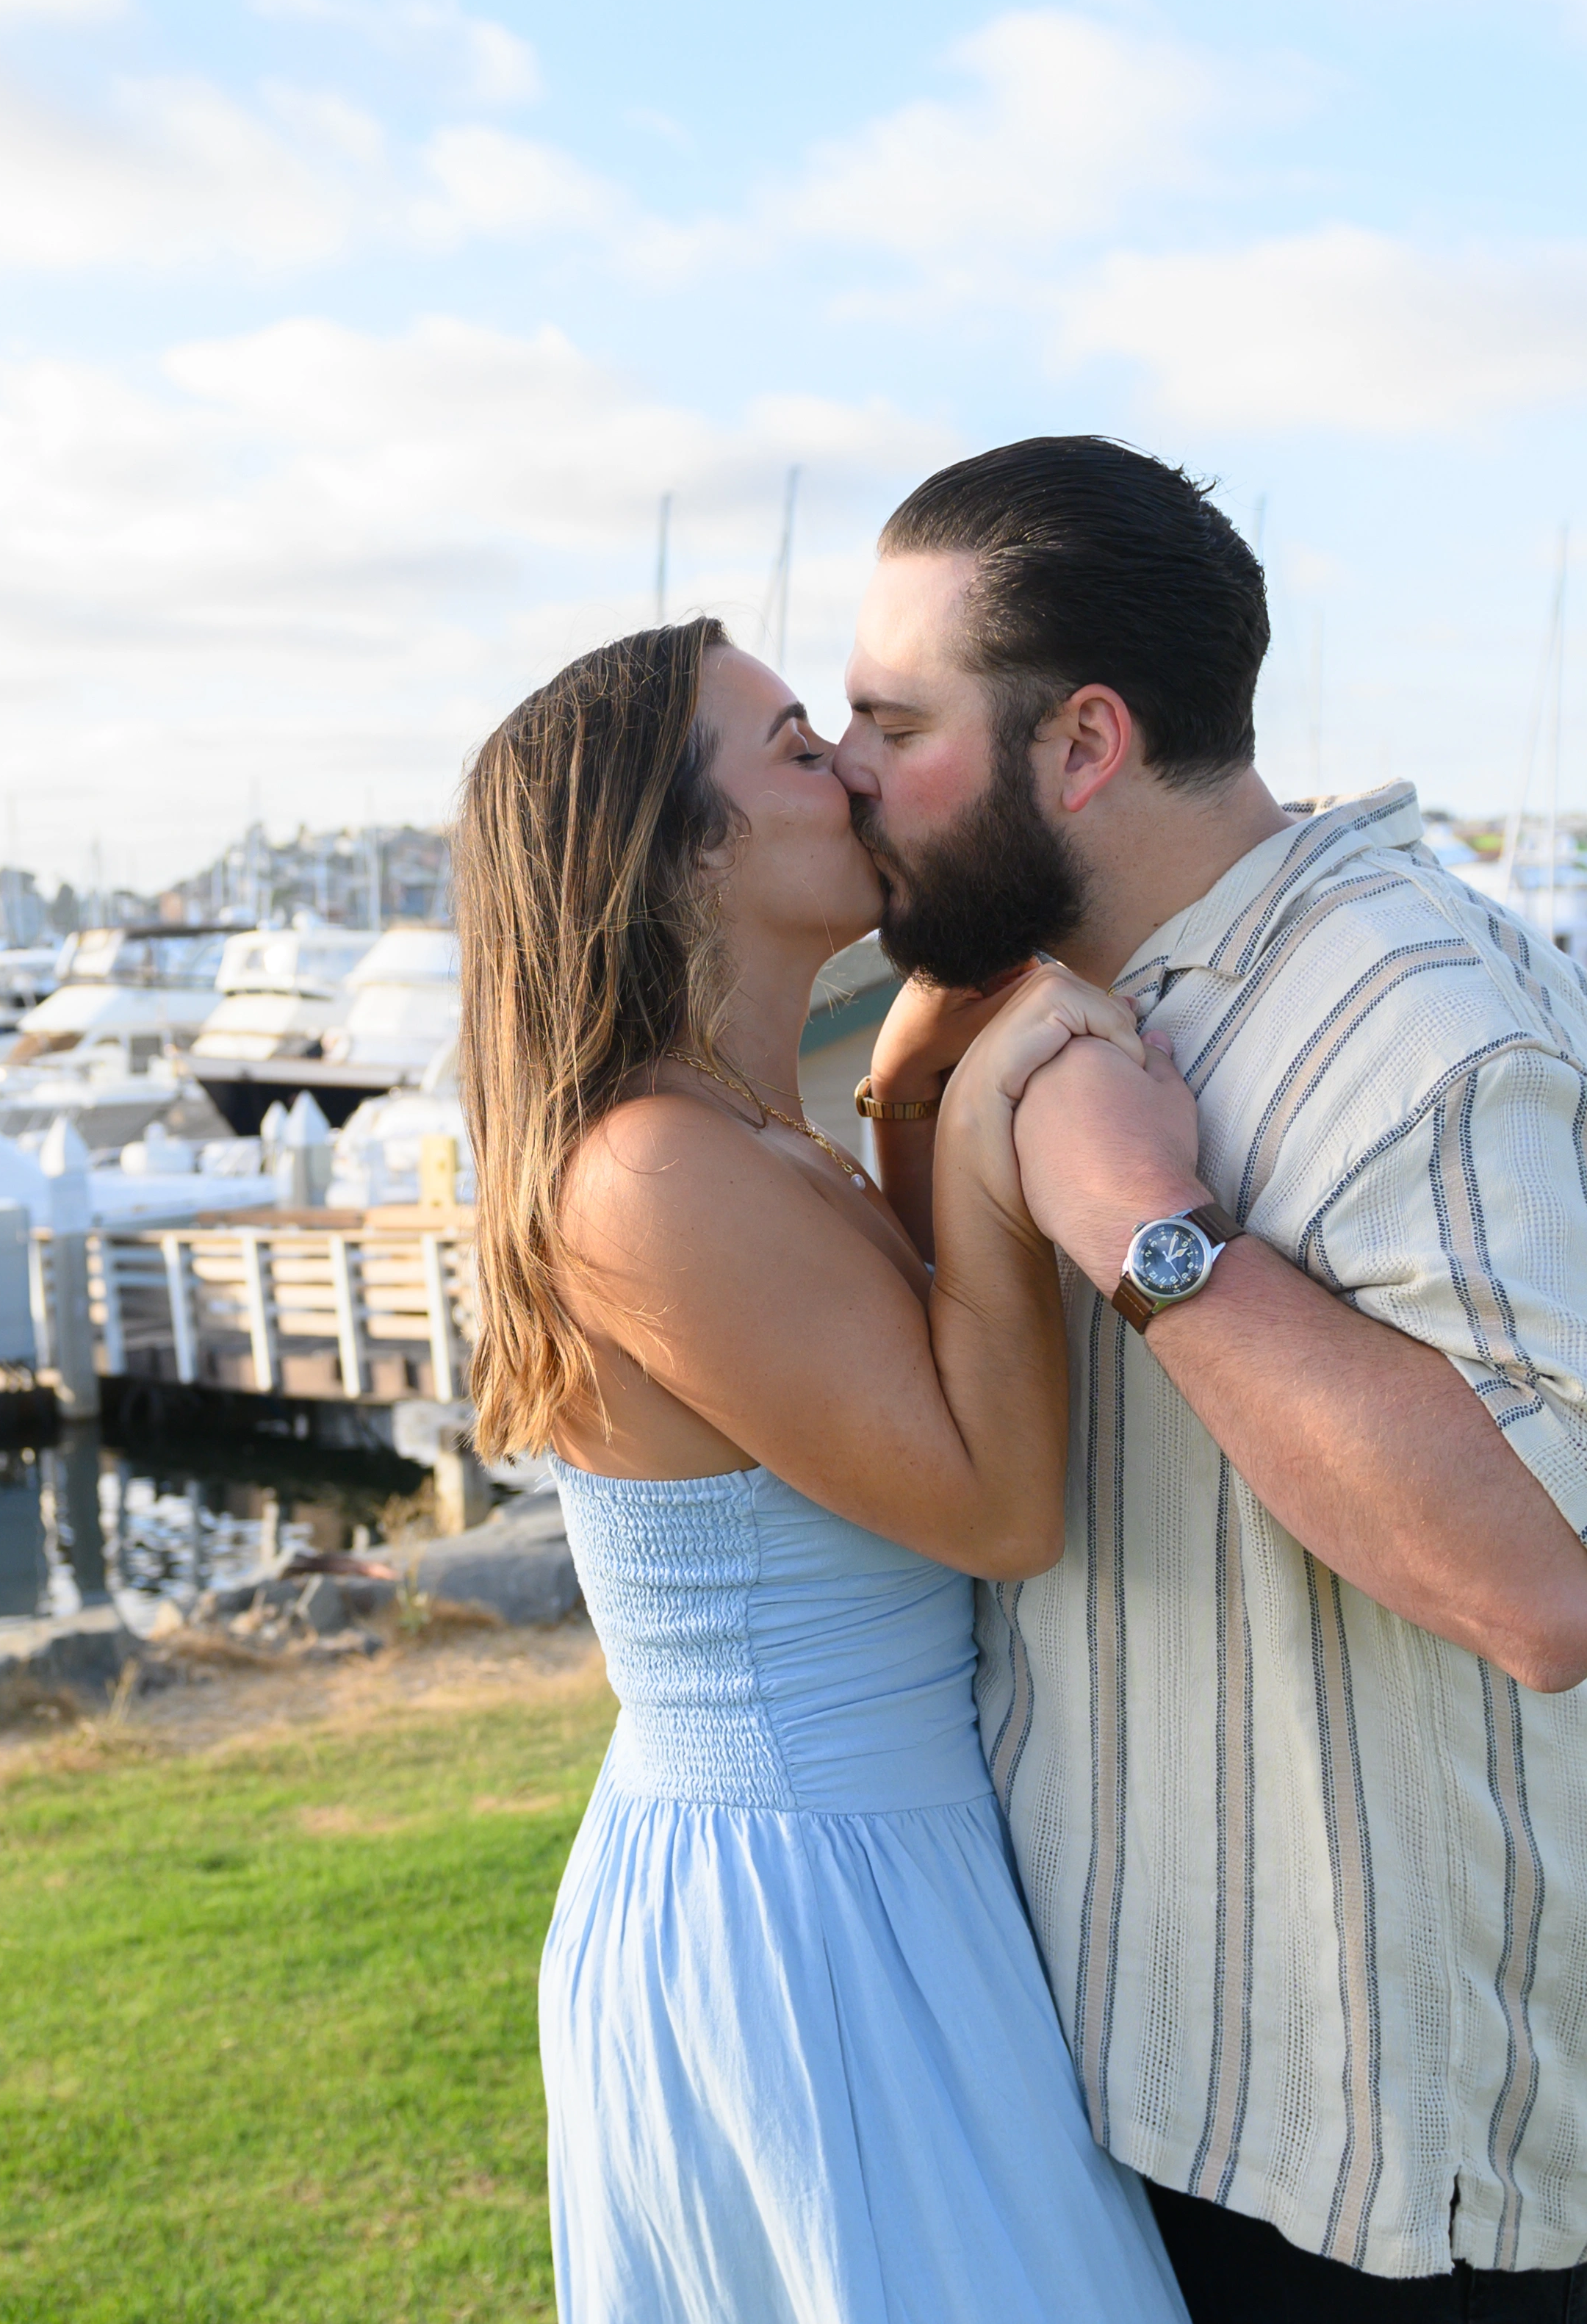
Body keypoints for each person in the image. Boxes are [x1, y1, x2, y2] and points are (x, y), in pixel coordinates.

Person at [834, 436, 1587, 2323]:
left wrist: (1159, 1238)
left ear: (1079, 745)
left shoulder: (1425, 1020)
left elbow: (1539, 1588)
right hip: (1141, 2071)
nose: (845, 775)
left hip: (1379, 2145)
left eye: (891, 725)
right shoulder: (1062, 1002)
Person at [454, 617, 1191, 2324]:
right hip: (803, 1914)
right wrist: (1000, 1119)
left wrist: (916, 1107)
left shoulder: (746, 1132)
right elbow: (994, 1506)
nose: (851, 767)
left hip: (870, 1865)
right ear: (672, 852)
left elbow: (913, 1386)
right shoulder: (648, 1172)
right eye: (794, 744)